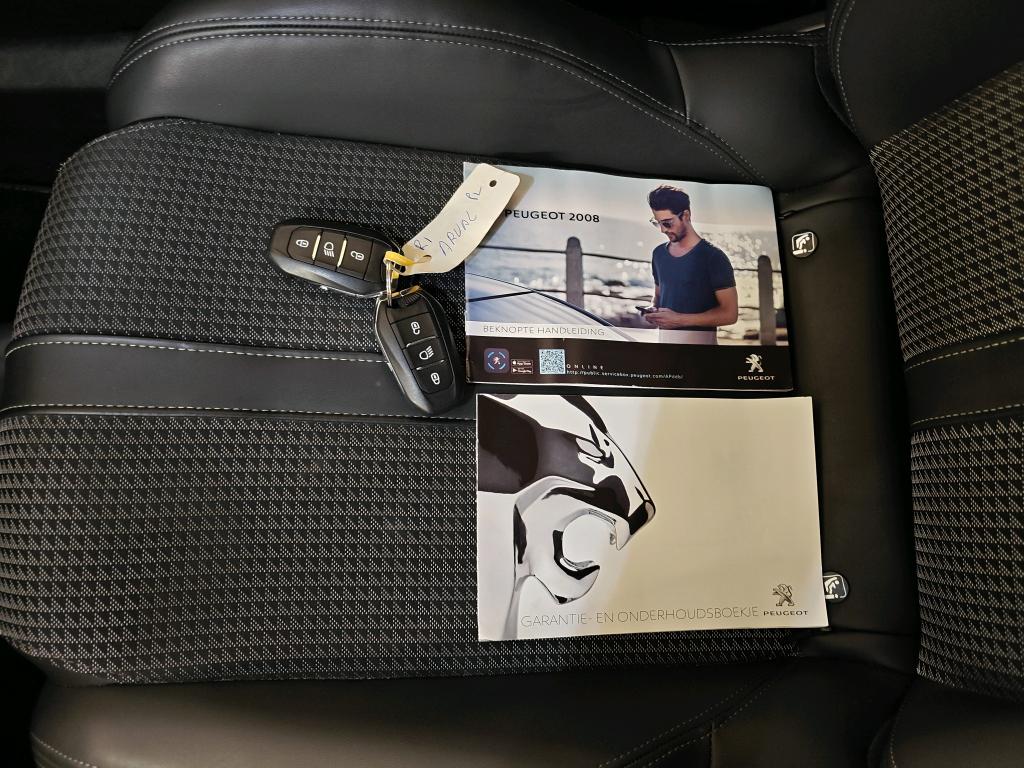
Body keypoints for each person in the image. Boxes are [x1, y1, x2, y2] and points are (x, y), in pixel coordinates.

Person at [644, 185, 738, 344]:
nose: (662, 230)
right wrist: (653, 310)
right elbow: (659, 297)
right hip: (665, 349)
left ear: (686, 215)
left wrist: (679, 320)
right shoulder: (658, 254)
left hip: (699, 353)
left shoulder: (713, 257)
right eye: (657, 223)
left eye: (667, 223)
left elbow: (730, 314)